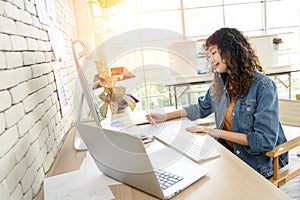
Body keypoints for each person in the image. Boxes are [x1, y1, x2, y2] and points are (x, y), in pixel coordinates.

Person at [146, 27, 288, 179]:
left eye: (213, 52)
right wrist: (164, 116)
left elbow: (265, 140)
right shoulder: (221, 83)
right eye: (209, 55)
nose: (211, 59)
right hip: (228, 154)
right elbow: (201, 108)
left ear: (230, 51)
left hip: (257, 163)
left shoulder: (263, 86)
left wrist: (214, 132)